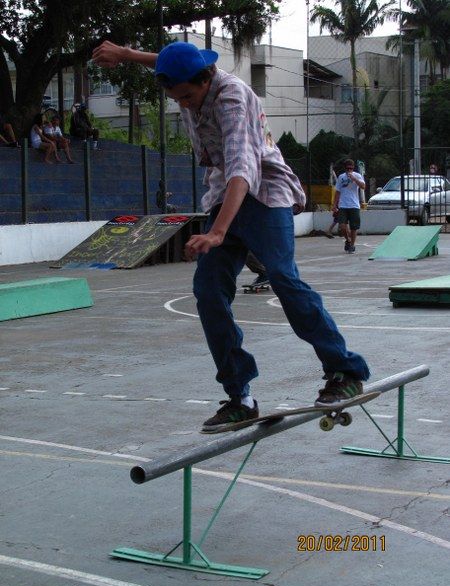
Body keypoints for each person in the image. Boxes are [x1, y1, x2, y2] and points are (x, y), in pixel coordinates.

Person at [93, 40, 370, 429]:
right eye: (177, 99)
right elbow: (171, 61)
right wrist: (126, 55)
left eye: (188, 97)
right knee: (208, 292)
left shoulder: (232, 100)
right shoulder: (190, 75)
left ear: (206, 79)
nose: (185, 105)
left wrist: (218, 232)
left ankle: (344, 371)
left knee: (283, 277)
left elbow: (243, 167)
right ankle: (240, 396)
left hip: (265, 194)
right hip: (224, 195)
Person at [333, 159, 365, 254]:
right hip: (343, 205)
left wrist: (354, 179)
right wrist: (334, 205)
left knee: (353, 227)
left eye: (351, 168)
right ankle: (348, 240)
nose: (349, 170)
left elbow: (363, 186)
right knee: (342, 227)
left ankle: (352, 245)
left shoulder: (357, 176)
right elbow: (337, 191)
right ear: (345, 168)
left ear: (353, 168)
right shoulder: (341, 177)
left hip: (354, 205)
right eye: (347, 168)